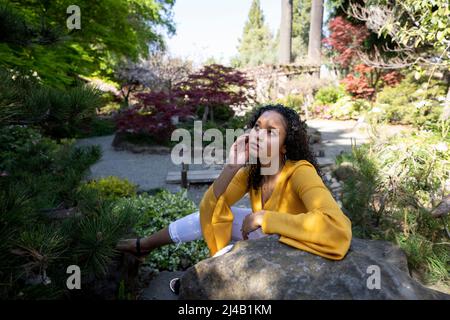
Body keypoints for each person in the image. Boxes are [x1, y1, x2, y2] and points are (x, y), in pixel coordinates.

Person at [116, 104, 352, 294]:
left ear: (284, 146)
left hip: (295, 244)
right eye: (257, 127)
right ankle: (145, 246)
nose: (259, 135)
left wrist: (264, 217)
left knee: (232, 237)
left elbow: (335, 226)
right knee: (213, 214)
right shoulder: (253, 172)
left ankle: (202, 280)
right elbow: (210, 206)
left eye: (271, 131)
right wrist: (232, 165)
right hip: (270, 239)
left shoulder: (301, 171)